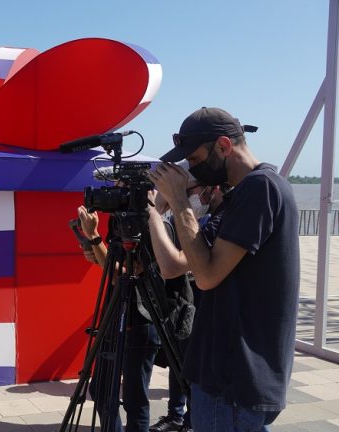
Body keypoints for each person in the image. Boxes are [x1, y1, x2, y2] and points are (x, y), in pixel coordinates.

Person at [148, 107, 299, 432]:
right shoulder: (247, 193)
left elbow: (205, 275)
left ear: (224, 146)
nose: (192, 169)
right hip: (230, 377)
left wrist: (179, 202)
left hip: (233, 378)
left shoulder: (261, 189)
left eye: (196, 159)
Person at [76, 176, 207, 432]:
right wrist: (97, 252)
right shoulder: (120, 221)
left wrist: (93, 238)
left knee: (135, 400)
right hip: (118, 313)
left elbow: (125, 274)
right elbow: (115, 267)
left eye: (120, 189)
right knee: (102, 390)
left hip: (142, 318)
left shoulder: (152, 225)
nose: (115, 194)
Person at [146, 179, 225, 432]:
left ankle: (189, 420)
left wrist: (154, 210)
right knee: (179, 358)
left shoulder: (217, 220)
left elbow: (173, 265)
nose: (187, 197)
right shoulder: (186, 218)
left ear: (211, 188)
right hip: (185, 297)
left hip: (205, 302)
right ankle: (177, 415)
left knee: (193, 364)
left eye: (189, 191)